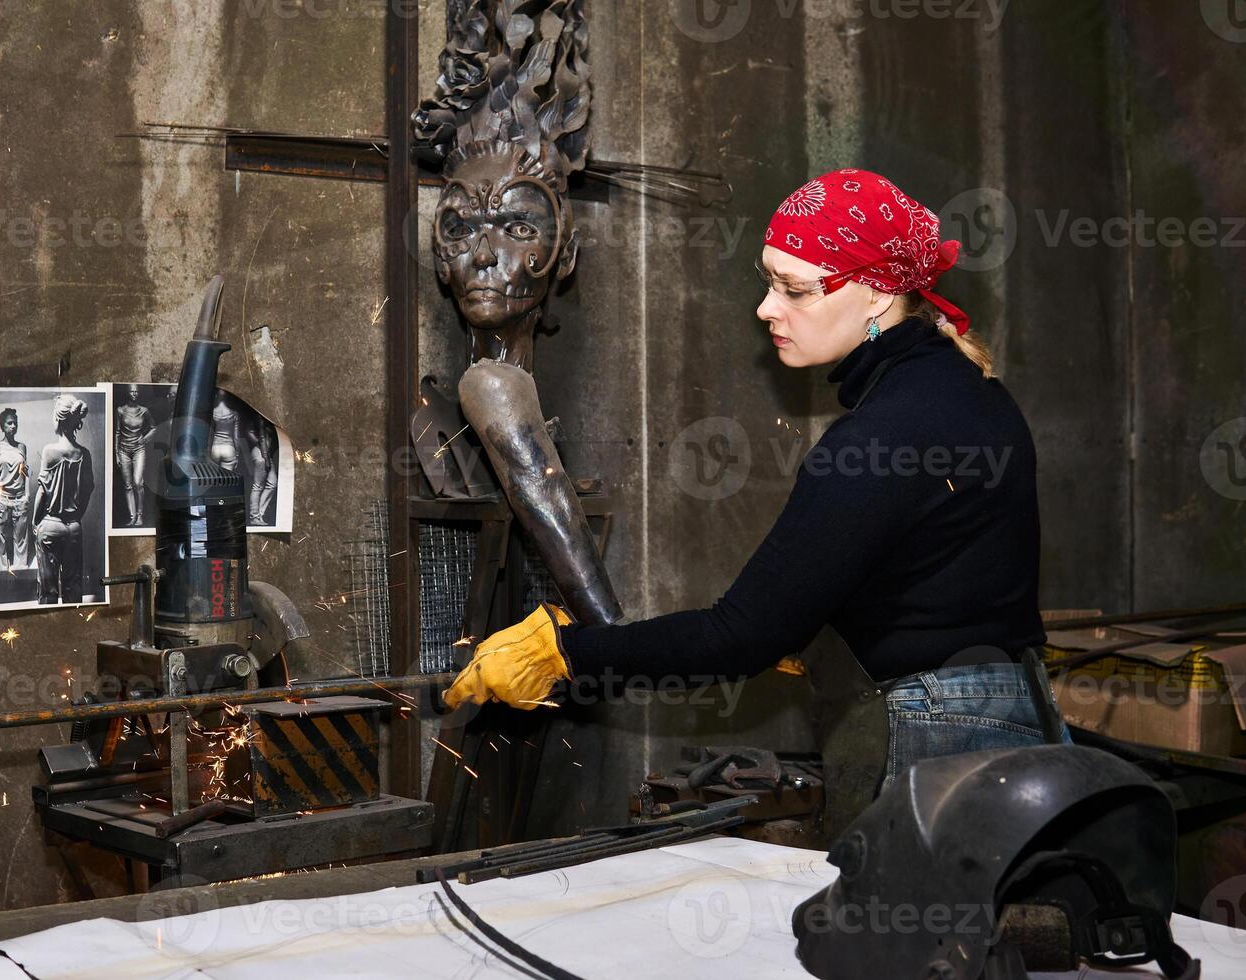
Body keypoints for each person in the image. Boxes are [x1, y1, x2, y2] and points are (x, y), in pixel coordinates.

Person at [444, 168, 1072, 792]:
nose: (767, 308)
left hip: (942, 740)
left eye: (796, 289)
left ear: (878, 293)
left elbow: (738, 638)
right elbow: (940, 575)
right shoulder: (975, 395)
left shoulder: (880, 438)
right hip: (1013, 720)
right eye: (769, 282)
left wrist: (570, 654)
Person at [33, 394, 94, 604]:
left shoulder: (50, 451)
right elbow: (88, 492)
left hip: (51, 525)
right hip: (74, 528)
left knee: (48, 590)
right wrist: (76, 517)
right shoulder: (84, 453)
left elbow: (42, 492)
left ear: (58, 419)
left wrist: (35, 521)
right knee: (73, 587)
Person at [0, 407, 31, 570]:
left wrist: (27, 495)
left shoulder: (22, 447)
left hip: (19, 498)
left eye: (15, 423)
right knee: (0, 539)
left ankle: (20, 568)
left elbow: (25, 473)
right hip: (1, 497)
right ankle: (0, 569)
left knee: (21, 540)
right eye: (9, 423)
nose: (13, 426)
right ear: (2, 425)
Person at [114, 384, 156, 527]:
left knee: (138, 482)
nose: (134, 394)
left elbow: (153, 428)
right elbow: (117, 432)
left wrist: (144, 438)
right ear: (127, 393)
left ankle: (140, 516)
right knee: (127, 486)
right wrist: (116, 455)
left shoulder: (144, 411)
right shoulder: (120, 410)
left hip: (139, 449)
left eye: (136, 392)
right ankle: (132, 517)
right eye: (131, 391)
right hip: (123, 450)